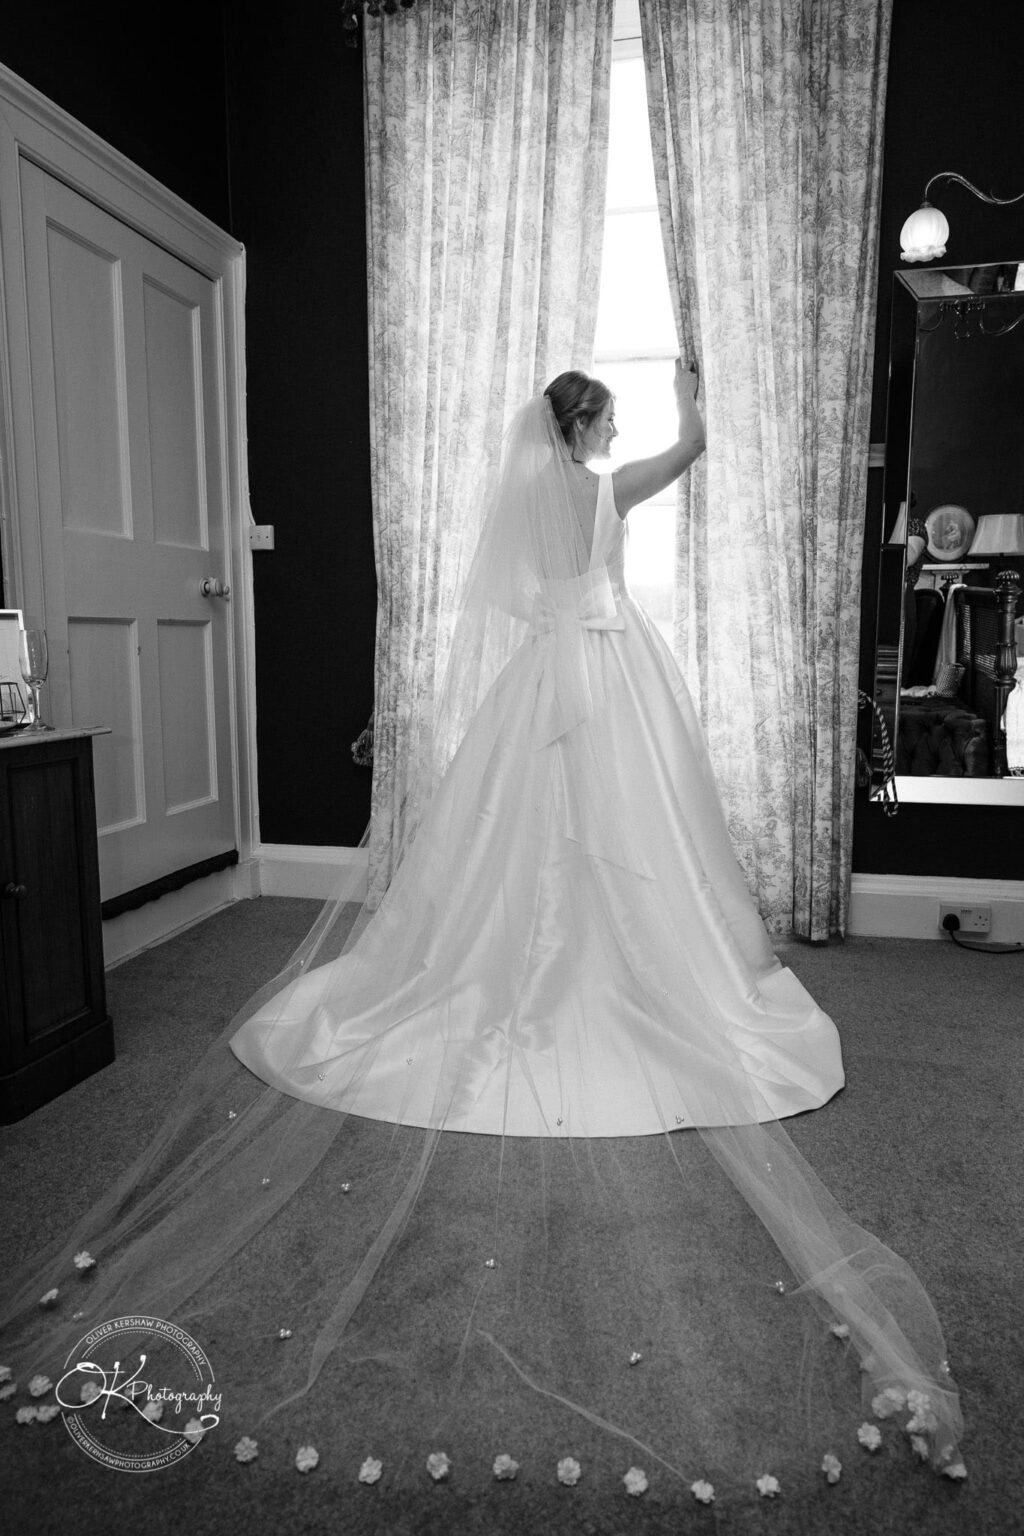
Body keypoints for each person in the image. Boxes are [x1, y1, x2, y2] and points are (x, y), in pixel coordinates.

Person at [1, 365, 964, 1499]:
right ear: (584, 423)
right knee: (631, 831)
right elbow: (690, 454)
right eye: (608, 417)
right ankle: (629, 972)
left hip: (544, 677)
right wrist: (693, 402)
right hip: (610, 675)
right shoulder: (602, 489)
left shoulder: (529, 493)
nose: (616, 429)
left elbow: (509, 594)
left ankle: (507, 967)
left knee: (517, 839)